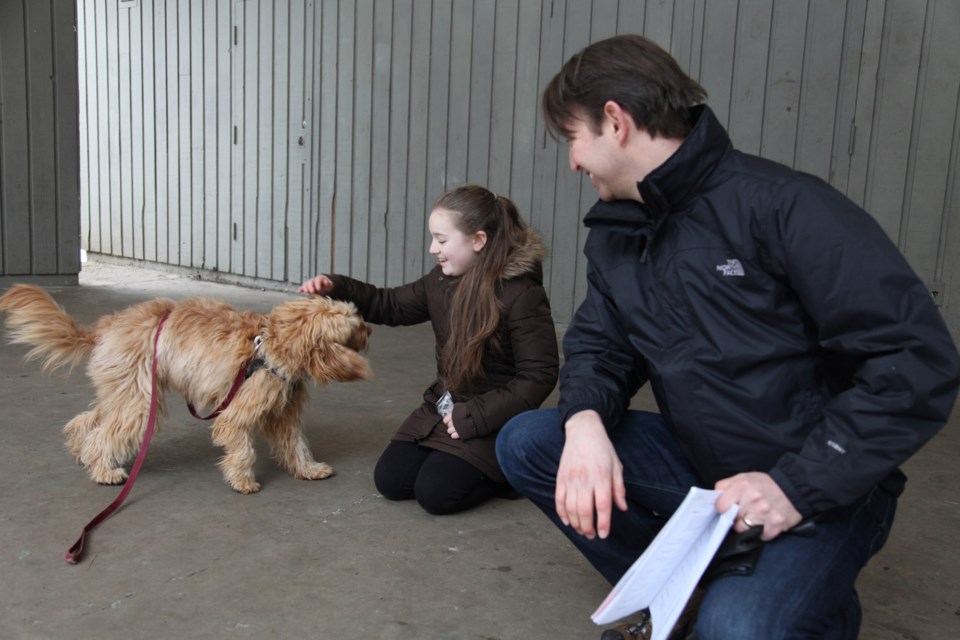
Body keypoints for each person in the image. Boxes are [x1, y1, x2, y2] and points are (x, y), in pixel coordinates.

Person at [495, 34, 960, 639]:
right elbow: (600, 344)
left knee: (740, 628)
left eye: (572, 139)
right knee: (531, 443)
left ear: (616, 122)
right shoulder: (617, 233)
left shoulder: (784, 207)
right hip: (706, 465)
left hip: (822, 481)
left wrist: (796, 484)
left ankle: (777, 603)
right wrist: (583, 420)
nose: (572, 161)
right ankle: (680, 595)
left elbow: (916, 360)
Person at [300, 184, 558, 515]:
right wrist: (336, 286)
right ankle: (457, 456)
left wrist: (476, 416)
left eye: (442, 239)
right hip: (445, 405)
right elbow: (390, 304)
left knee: (436, 494)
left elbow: (538, 375)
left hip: (495, 418)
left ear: (479, 241)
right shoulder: (440, 281)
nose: (432, 248)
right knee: (391, 481)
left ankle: (510, 469)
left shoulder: (522, 294)